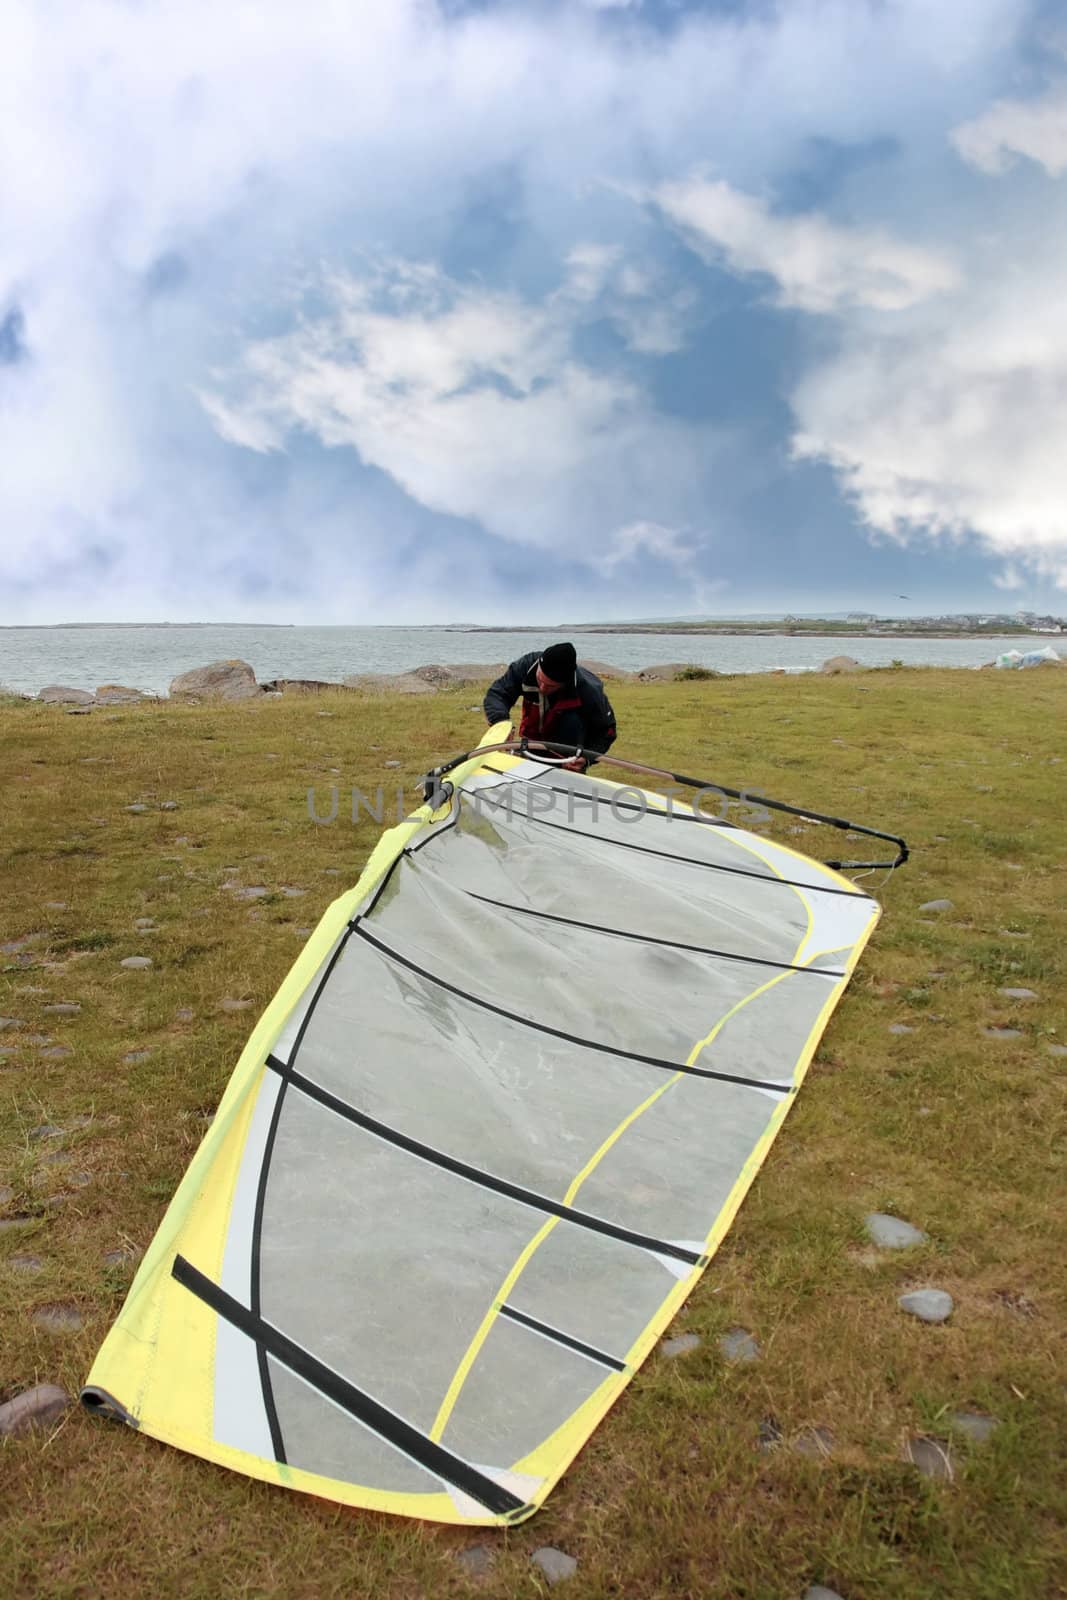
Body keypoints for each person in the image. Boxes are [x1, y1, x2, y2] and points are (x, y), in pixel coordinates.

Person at [483, 642, 617, 772]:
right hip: (529, 748)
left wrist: (586, 758)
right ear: (538, 667)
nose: (542, 688)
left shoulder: (588, 691)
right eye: (540, 680)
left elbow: (606, 731)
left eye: (550, 686)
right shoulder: (526, 666)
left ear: (565, 682)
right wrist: (501, 722)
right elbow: (498, 694)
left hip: (566, 760)